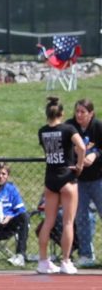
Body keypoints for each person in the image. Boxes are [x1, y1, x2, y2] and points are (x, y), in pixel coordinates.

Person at [36, 97, 86, 274]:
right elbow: (81, 146)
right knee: (68, 222)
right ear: (62, 113)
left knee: (48, 222)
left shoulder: (42, 131)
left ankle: (43, 261)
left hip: (50, 178)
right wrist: (79, 165)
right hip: (66, 176)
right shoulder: (68, 128)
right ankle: (65, 261)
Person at [68, 98, 102, 266]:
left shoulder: (98, 127)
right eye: (77, 111)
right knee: (81, 216)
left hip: (98, 179)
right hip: (78, 180)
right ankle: (86, 254)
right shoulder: (70, 126)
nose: (79, 115)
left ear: (91, 114)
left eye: (83, 112)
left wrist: (95, 155)